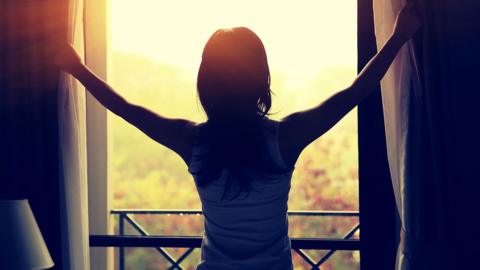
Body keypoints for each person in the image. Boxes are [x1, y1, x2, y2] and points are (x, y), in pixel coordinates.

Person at [55, 3, 420, 269]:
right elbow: (353, 93)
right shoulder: (284, 138)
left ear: (206, 84)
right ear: (261, 80)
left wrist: (77, 68)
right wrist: (398, 37)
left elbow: (126, 109)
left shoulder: (193, 142)